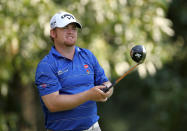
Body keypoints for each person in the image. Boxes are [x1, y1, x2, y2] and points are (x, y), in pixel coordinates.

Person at [35, 11, 113, 131]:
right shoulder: (46, 65)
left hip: (93, 127)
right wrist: (88, 95)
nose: (71, 31)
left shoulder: (87, 55)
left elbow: (106, 83)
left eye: (74, 28)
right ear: (53, 33)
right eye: (65, 28)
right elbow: (53, 104)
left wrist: (107, 91)